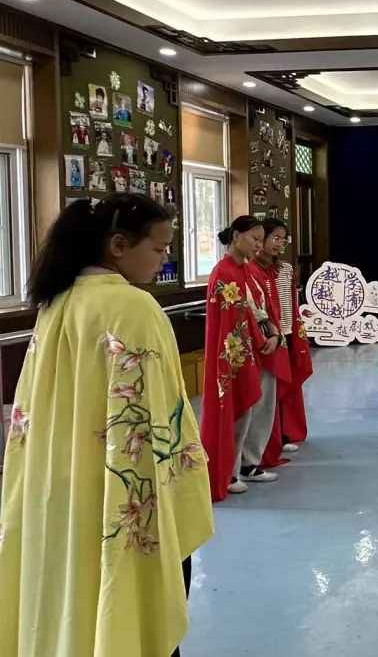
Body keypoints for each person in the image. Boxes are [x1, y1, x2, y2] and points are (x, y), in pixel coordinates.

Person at [0, 195, 213, 657]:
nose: (164, 260)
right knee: (131, 593)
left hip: (61, 477)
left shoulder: (57, 301)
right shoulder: (132, 306)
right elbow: (162, 414)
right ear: (118, 245)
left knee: (71, 584)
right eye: (159, 249)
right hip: (118, 480)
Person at [199, 216, 275, 500]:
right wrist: (256, 341)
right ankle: (227, 473)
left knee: (244, 409)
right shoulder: (224, 272)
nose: (258, 245)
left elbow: (244, 313)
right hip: (232, 351)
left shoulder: (240, 269)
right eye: (254, 239)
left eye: (260, 240)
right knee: (234, 409)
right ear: (236, 236)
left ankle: (234, 470)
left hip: (242, 349)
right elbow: (233, 319)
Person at [249, 218, 313, 468]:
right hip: (267, 334)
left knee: (287, 383)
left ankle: (285, 432)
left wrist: (294, 330)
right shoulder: (251, 269)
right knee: (269, 389)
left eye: (283, 240)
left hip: (287, 331)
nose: (278, 244)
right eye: (274, 238)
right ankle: (267, 441)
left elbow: (291, 303)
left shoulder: (285, 269)